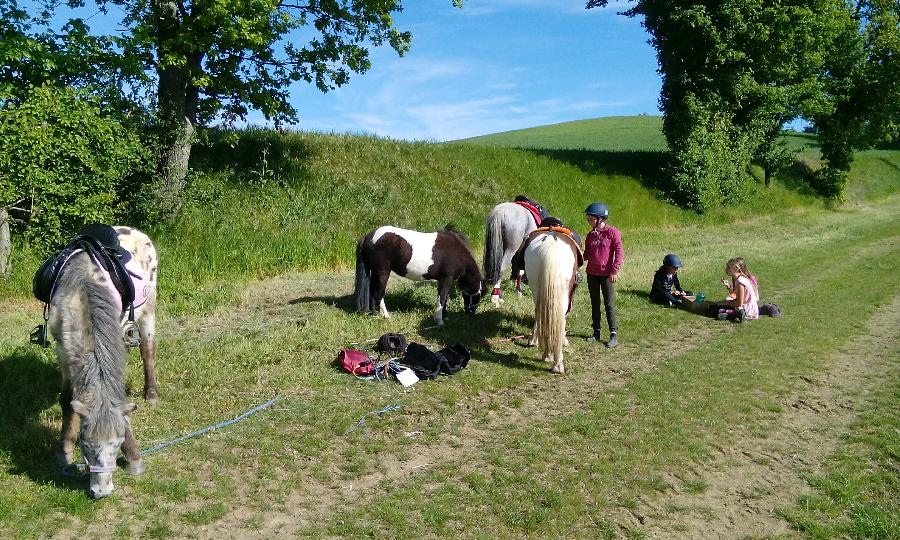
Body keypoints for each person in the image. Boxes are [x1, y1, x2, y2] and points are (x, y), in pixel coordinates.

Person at [583, 202, 623, 347]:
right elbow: (586, 254)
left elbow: (619, 253)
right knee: (595, 303)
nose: (588, 222)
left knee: (609, 304)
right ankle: (596, 332)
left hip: (606, 274)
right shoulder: (590, 236)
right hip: (591, 274)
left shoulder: (613, 233)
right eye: (588, 219)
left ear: (600, 219)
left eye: (590, 219)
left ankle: (613, 334)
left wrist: (614, 270)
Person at [710, 257, 759, 322]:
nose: (726, 269)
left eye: (729, 267)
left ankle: (733, 315)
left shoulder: (740, 281)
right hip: (750, 310)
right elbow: (736, 296)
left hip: (747, 311)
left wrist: (725, 302)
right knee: (722, 305)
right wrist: (729, 287)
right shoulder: (739, 279)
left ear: (736, 268)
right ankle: (731, 315)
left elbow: (739, 303)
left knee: (718, 309)